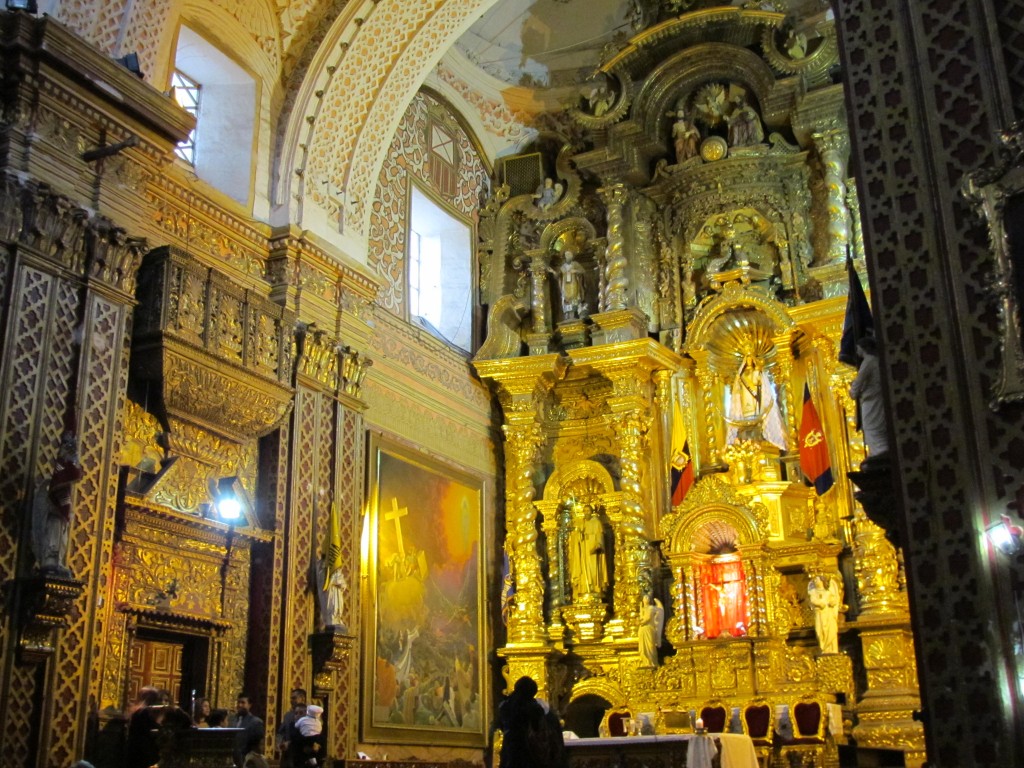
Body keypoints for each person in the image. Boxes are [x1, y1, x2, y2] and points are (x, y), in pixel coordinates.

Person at [498, 676, 564, 768]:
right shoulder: (536, 708)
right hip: (530, 754)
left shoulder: (506, 705)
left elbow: (501, 724)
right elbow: (543, 730)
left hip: (510, 752)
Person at [849, 335, 889, 459]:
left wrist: (853, 391)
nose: (857, 351)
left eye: (858, 348)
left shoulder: (869, 361)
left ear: (863, 348)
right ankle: (880, 453)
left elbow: (859, 380)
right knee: (875, 429)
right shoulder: (874, 360)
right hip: (875, 398)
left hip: (871, 399)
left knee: (872, 428)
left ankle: (881, 454)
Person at [124, 687, 166, 768]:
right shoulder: (144, 712)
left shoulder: (138, 712)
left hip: (136, 749)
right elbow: (150, 730)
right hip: (144, 751)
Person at [808, 575, 841, 654]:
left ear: (822, 581)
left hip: (828, 614)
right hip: (819, 614)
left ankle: (831, 649)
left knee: (831, 630)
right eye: (815, 580)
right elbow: (813, 600)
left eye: (817, 580)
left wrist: (832, 602)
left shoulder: (828, 592)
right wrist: (819, 603)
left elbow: (834, 601)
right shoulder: (813, 592)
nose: (815, 581)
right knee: (819, 632)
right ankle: (823, 648)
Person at [231, 694, 266, 768]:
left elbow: (258, 744)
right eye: (238, 702)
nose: (240, 705)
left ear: (250, 705)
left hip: (247, 761)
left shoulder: (256, 722)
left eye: (243, 703)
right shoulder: (231, 720)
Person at [277, 688, 307, 766]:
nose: (291, 700)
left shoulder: (310, 716)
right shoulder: (288, 715)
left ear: (302, 698)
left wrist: (290, 743)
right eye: (291, 698)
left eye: (294, 698)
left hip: (302, 754)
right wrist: (280, 742)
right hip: (287, 755)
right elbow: (281, 732)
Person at [316, 556, 347, 629]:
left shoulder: (337, 573)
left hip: (337, 592)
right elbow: (326, 583)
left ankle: (337, 618)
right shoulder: (323, 572)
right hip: (330, 593)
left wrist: (338, 581)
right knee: (332, 604)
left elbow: (343, 584)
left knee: (338, 604)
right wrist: (334, 580)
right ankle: (332, 618)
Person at [553, 251, 587, 320]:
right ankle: (568, 315)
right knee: (566, 298)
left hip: (574, 284)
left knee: (575, 297)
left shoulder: (575, 264)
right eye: (567, 255)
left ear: (572, 256)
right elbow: (557, 275)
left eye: (569, 254)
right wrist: (553, 272)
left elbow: (583, 271)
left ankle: (575, 314)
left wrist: (575, 271)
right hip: (565, 286)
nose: (568, 256)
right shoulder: (563, 266)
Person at [637, 596, 665, 668]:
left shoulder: (651, 608)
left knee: (650, 645)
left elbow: (648, 618)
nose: (646, 599)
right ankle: (645, 661)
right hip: (642, 629)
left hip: (649, 628)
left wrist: (641, 622)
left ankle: (651, 661)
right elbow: (642, 618)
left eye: (648, 597)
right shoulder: (642, 609)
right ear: (642, 600)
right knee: (642, 647)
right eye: (645, 598)